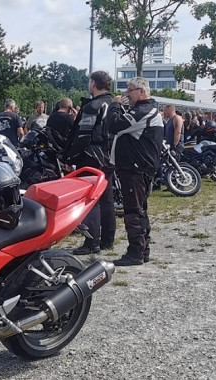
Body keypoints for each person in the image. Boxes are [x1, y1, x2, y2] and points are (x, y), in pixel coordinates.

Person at [105, 77, 163, 266]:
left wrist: (114, 105)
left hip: (136, 169)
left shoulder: (144, 110)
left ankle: (135, 252)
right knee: (139, 209)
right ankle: (142, 250)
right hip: (137, 168)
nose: (126, 94)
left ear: (142, 91)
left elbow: (114, 125)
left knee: (133, 211)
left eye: (130, 90)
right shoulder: (144, 110)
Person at [65, 70, 115, 255]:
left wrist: (70, 158)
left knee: (91, 199)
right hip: (110, 156)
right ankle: (107, 240)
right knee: (107, 199)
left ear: (93, 83)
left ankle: (91, 242)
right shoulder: (114, 104)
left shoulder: (93, 106)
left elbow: (82, 135)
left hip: (92, 156)